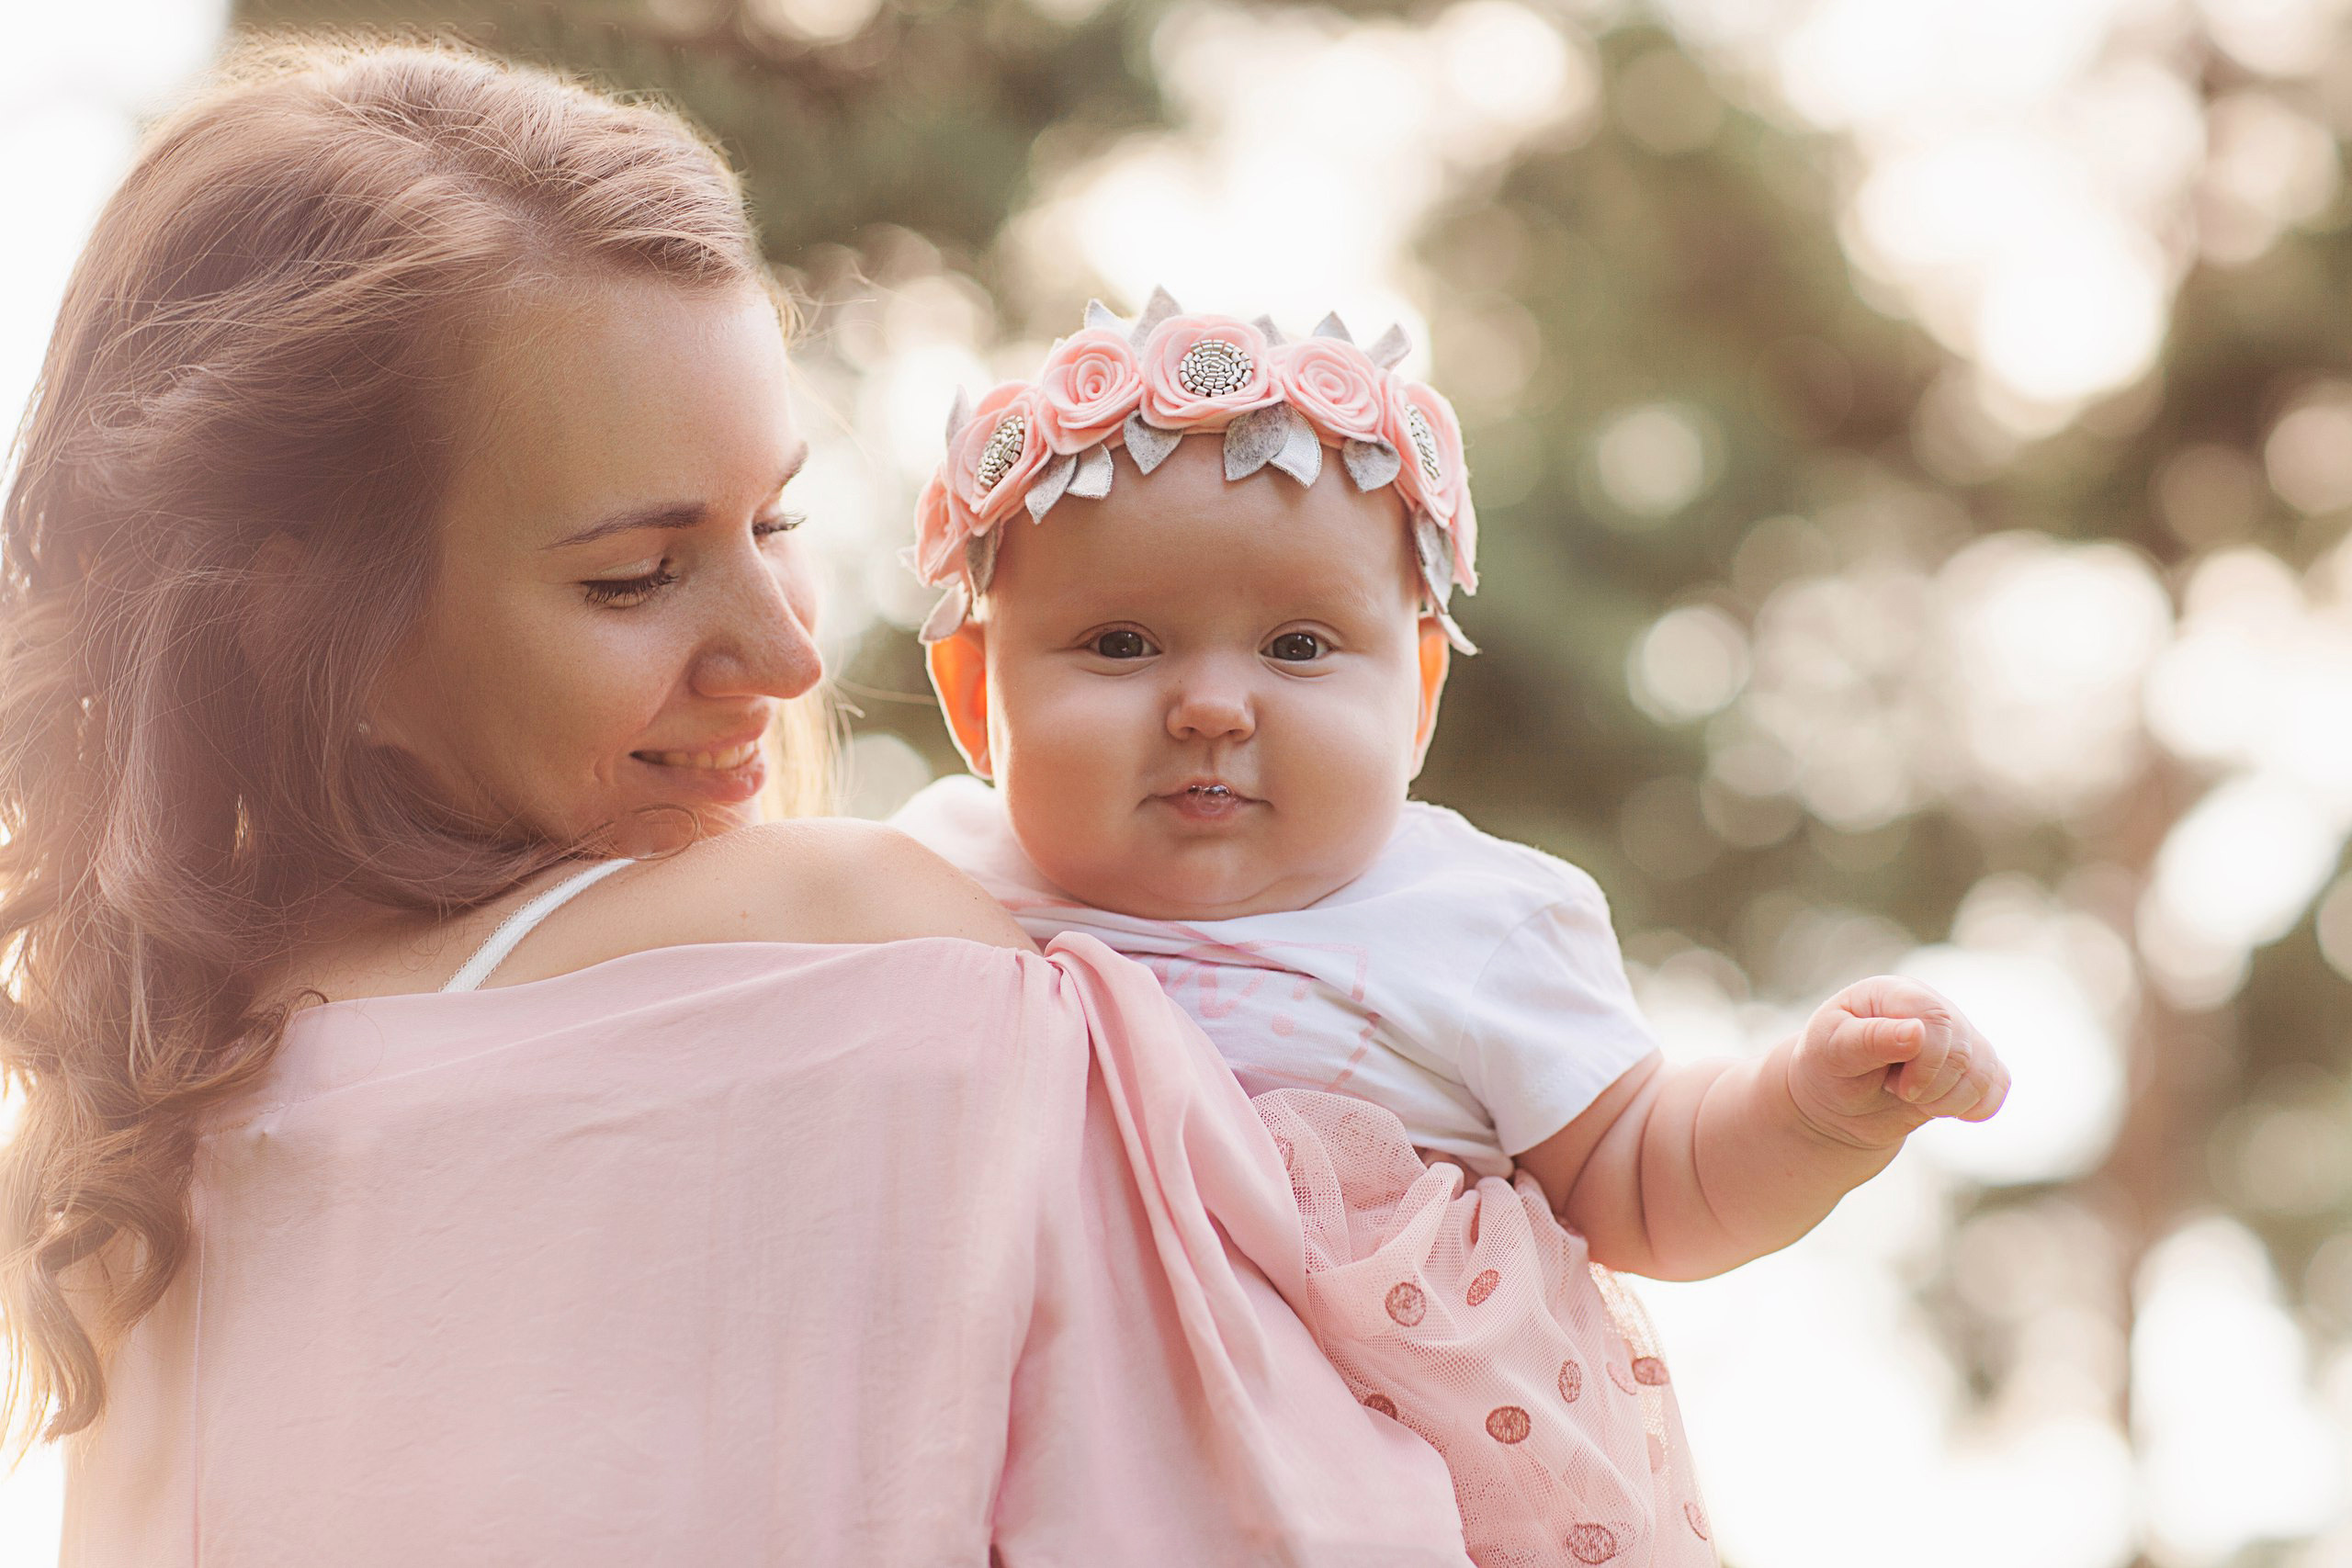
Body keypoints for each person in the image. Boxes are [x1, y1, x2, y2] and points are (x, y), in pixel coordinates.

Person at [0, 43, 1487, 1565]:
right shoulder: (860, 948)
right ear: (297, 622)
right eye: (632, 577)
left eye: (775, 520)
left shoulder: (132, 1154)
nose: (785, 654)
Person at [895, 292, 2014, 1564]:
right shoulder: (929, 886)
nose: (1211, 704)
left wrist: (1810, 1112)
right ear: (978, 695)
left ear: (1417, 693)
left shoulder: (1470, 924)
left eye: (1300, 645)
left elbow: (1646, 1173)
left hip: (1398, 1506)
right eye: (1121, 642)